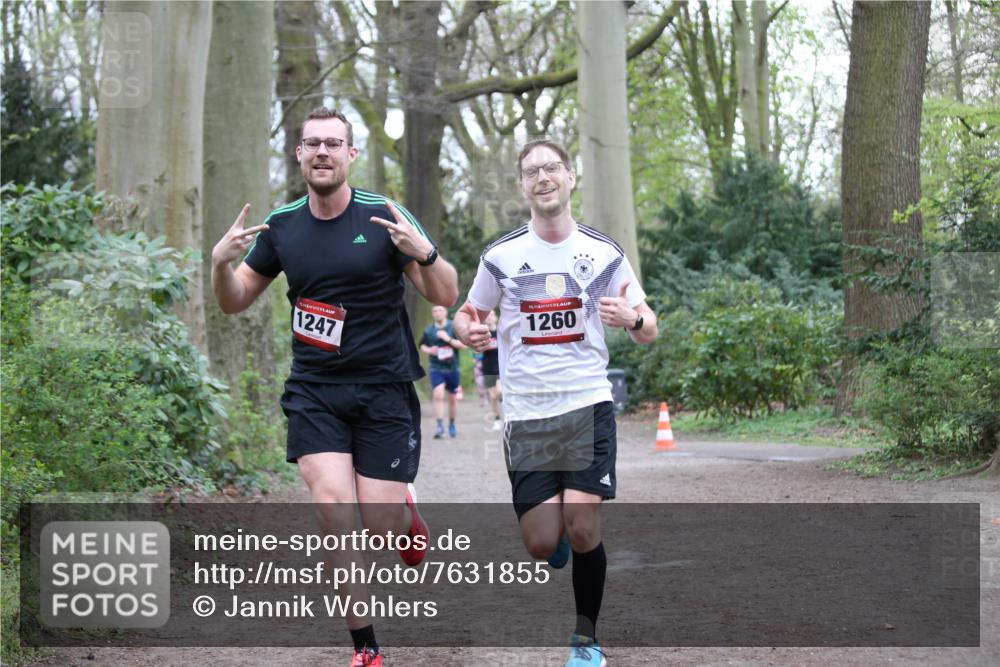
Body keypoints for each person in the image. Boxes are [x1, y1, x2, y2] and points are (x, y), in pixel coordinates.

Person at [210, 107, 458, 667]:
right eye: (312, 143)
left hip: (385, 388)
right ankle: (365, 648)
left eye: (333, 143)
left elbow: (445, 293)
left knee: (377, 526)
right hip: (315, 390)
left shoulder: (383, 216)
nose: (322, 152)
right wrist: (219, 265)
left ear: (350, 154)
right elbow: (234, 300)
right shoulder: (283, 225)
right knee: (333, 512)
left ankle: (404, 512)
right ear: (299, 155)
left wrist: (426, 253)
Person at [453, 139, 656, 667]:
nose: (543, 177)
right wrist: (470, 331)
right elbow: (467, 313)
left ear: (570, 177)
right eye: (531, 171)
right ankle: (556, 542)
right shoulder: (500, 256)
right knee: (543, 543)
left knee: (585, 527)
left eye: (551, 168)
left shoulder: (604, 252)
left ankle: (586, 642)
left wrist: (632, 320)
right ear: (523, 185)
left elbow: (648, 325)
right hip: (527, 414)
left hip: (587, 404)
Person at [419, 305, 465, 438]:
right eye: (434, 311)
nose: (437, 313)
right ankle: (439, 426)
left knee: (452, 399)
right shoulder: (429, 330)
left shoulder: (453, 327)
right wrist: (429, 350)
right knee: (438, 395)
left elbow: (463, 345)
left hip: (452, 368)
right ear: (432, 314)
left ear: (445, 312)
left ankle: (451, 424)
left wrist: (448, 339)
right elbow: (422, 345)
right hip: (436, 367)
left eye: (440, 310)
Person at [480, 310, 503, 431]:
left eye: (492, 315)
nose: (489, 317)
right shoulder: (482, 334)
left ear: (496, 317)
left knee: (499, 391)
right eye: (487, 315)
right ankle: (497, 420)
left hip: (501, 367)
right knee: (493, 396)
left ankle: (508, 411)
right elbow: (475, 350)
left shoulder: (501, 332)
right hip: (487, 368)